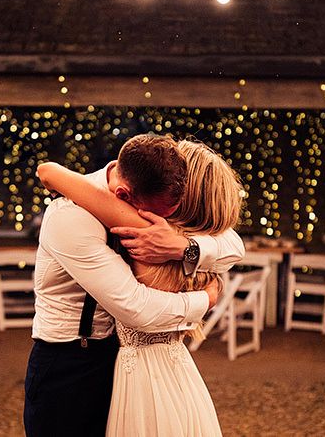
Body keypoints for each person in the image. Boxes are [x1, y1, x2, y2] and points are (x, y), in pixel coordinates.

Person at [24, 134, 244, 437]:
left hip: (117, 359)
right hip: (68, 363)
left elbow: (233, 244)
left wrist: (183, 247)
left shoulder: (150, 184)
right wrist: (206, 299)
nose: (159, 222)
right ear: (126, 197)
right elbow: (136, 308)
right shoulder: (70, 216)